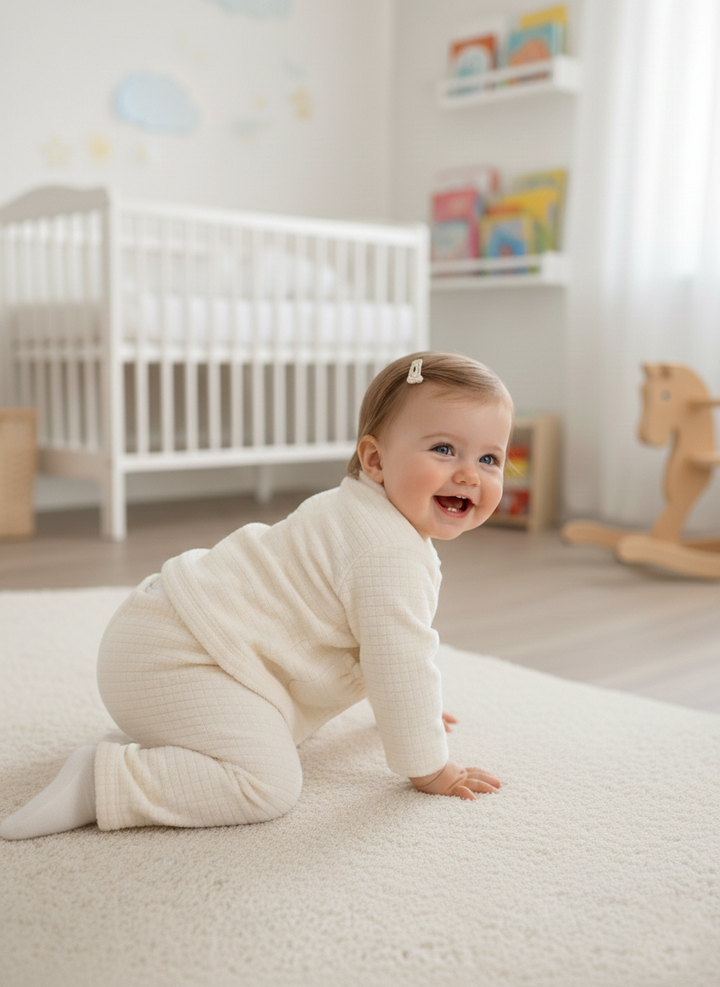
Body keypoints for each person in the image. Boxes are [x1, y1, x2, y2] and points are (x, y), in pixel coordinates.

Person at [0, 351, 512, 840]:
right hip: (181, 659)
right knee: (267, 784)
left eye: (489, 458)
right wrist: (431, 767)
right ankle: (105, 780)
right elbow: (399, 660)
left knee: (280, 729)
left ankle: (171, 745)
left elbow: (384, 655)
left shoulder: (352, 508)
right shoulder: (388, 553)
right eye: (444, 449)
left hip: (162, 631)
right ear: (375, 459)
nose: (469, 473)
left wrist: (409, 708)